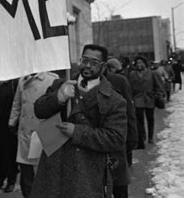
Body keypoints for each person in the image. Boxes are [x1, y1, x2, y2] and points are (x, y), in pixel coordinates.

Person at [30, 44, 127, 198]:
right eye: (85, 60)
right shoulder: (61, 84)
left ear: (103, 66)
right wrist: (59, 98)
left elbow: (116, 138)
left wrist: (77, 132)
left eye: (94, 63)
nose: (88, 66)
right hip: (54, 167)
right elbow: (39, 110)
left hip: (87, 172)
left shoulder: (115, 99)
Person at [8, 72, 58, 198]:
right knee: (26, 176)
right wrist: (12, 122)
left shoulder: (52, 79)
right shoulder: (22, 80)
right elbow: (17, 103)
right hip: (25, 133)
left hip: (43, 134)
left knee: (44, 175)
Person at [105, 58, 138, 198]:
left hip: (117, 138)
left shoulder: (120, 81)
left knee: (119, 184)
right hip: (92, 142)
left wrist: (132, 135)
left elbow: (129, 110)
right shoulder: (78, 82)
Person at [128, 56, 165, 148]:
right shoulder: (132, 74)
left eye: (141, 63)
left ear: (145, 64)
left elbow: (158, 85)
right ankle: (142, 136)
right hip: (138, 98)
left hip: (149, 98)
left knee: (150, 118)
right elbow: (129, 87)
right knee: (139, 119)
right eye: (137, 63)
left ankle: (151, 137)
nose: (139, 65)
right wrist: (130, 98)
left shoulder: (152, 73)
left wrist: (159, 95)